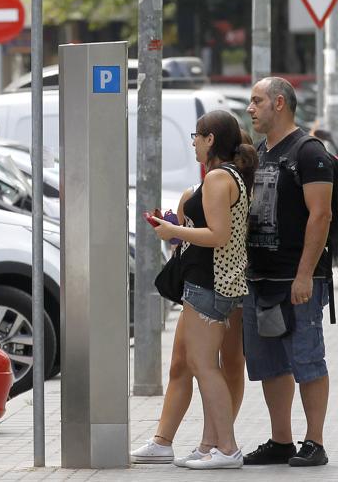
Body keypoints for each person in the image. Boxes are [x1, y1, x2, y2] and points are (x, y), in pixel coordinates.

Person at [131, 110, 256, 469]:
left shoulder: (219, 178)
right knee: (194, 363)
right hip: (206, 281)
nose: (193, 144)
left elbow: (216, 236)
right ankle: (207, 445)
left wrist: (174, 232)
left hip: (211, 283)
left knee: (204, 365)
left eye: (196, 137)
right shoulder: (224, 177)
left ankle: (226, 448)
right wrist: (176, 225)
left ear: (210, 139)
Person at [241, 77, 334, 468]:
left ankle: (314, 441)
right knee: (269, 363)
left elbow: (321, 214)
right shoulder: (260, 152)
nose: (250, 108)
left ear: (279, 103)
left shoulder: (309, 152)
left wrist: (304, 275)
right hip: (260, 280)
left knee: (306, 359)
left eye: (256, 100)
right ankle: (281, 440)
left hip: (298, 281)